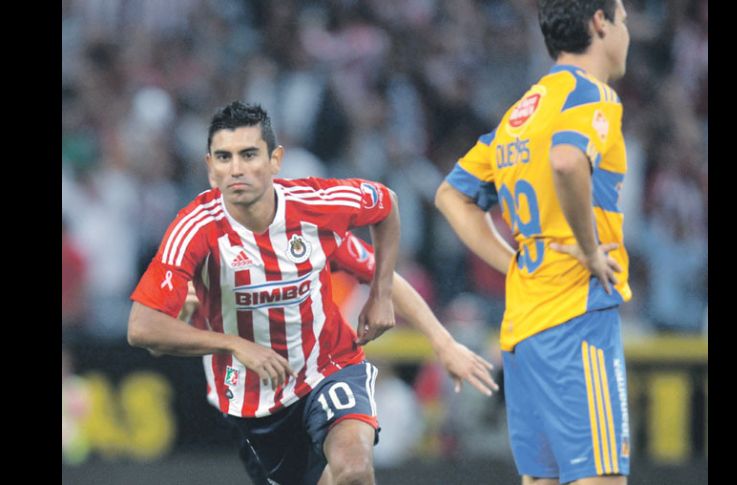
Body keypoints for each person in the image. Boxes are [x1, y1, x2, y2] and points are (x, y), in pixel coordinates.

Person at [128, 101, 496, 485]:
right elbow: (143, 328)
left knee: (354, 468)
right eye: (224, 157)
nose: (236, 169)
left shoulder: (314, 211)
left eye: (249, 154)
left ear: (275, 160)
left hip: (329, 366)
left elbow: (386, 205)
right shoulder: (194, 230)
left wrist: (402, 310)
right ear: (210, 168)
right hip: (256, 402)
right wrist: (233, 344)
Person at [434, 1, 632, 484]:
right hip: (575, 315)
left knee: (541, 480)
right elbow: (567, 161)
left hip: (524, 326)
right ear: (600, 22)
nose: (628, 31)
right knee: (600, 477)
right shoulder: (593, 96)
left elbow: (451, 195)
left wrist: (516, 265)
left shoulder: (521, 114)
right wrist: (588, 249)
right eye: (624, 19)